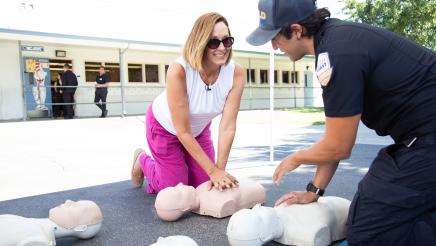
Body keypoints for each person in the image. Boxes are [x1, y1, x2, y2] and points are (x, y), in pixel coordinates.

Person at [246, 0, 436, 245]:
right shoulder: (336, 42)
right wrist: (314, 191)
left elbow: (339, 147)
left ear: (296, 30)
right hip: (422, 139)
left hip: (427, 142)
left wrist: (297, 157)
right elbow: (334, 140)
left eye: (275, 37)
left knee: (369, 233)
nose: (273, 46)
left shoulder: (338, 54)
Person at [131, 12, 246, 194]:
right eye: (214, 42)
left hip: (198, 131)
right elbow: (182, 131)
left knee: (204, 186)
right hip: (165, 129)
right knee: (177, 191)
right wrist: (212, 170)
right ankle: (142, 160)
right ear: (200, 42)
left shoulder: (236, 73)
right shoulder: (179, 70)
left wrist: (219, 171)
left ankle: (185, 169)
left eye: (227, 41)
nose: (222, 48)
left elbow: (228, 126)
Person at [227, 196, 351, 246]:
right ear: (265, 237)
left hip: (338, 204)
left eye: (254, 210)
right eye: (260, 218)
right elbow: (320, 235)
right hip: (343, 212)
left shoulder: (277, 211)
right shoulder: (300, 234)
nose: (258, 207)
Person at [0, 200, 103, 245]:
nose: (68, 201)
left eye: (76, 205)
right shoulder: (36, 226)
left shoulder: (38, 241)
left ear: (80, 227)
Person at [155, 179, 266, 221]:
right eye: (179, 191)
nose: (180, 183)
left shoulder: (198, 189)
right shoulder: (217, 205)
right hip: (256, 190)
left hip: (253, 187)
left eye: (175, 186)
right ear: (185, 208)